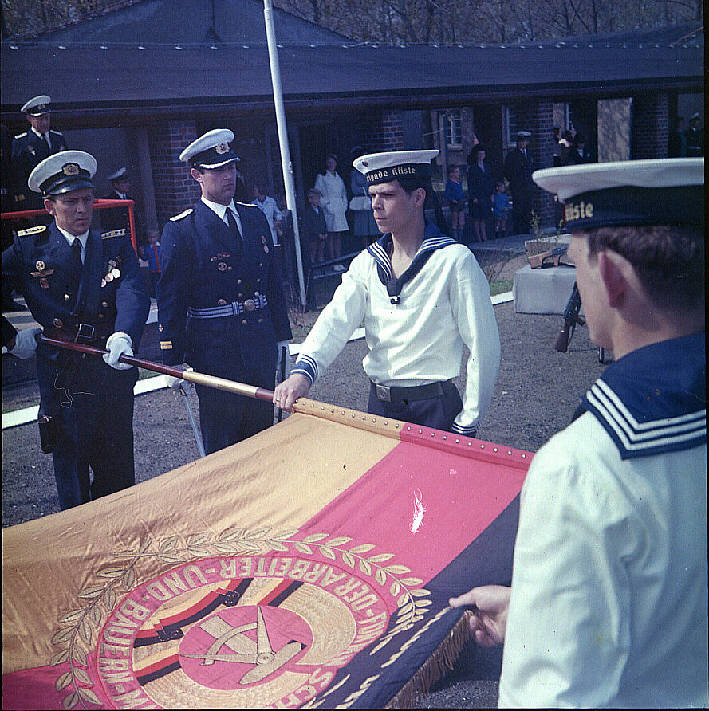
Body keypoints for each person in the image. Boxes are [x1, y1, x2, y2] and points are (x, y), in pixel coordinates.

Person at [450, 157, 707, 708]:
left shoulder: (582, 467)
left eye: (576, 266)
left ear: (610, 276)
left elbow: (551, 698)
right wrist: (536, 609)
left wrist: (538, 629)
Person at [274, 150, 500, 437]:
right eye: (372, 196)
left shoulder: (453, 261)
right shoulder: (367, 263)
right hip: (380, 411)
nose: (376, 206)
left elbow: (484, 346)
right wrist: (301, 374)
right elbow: (335, 321)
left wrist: (468, 420)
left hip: (435, 411)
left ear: (418, 197)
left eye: (388, 195)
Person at [2, 150, 150, 510]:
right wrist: (9, 338)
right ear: (50, 206)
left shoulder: (113, 245)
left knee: (119, 476)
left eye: (87, 200)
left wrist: (125, 333)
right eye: (71, 202)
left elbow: (133, 288)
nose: (82, 210)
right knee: (73, 482)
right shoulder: (29, 249)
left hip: (110, 371)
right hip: (62, 378)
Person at [157, 129, 292, 455]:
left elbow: (273, 280)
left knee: (263, 439)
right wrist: (172, 359)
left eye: (231, 167)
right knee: (224, 445)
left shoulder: (254, 216)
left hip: (258, 343)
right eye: (218, 170)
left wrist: (282, 335)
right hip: (215, 351)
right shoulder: (183, 229)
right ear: (197, 176)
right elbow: (171, 298)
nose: (228, 176)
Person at [10, 96, 68, 211]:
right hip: (34, 199)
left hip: (58, 196)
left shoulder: (58, 138)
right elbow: (17, 174)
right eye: (40, 119)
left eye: (47, 118)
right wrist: (22, 199)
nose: (45, 122)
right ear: (29, 118)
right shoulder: (21, 142)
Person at [314, 154, 348, 267]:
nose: (331, 165)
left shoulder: (339, 178)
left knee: (338, 235)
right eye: (329, 163)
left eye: (333, 162)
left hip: (339, 208)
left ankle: (339, 260)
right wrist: (326, 205)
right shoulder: (322, 177)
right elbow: (317, 194)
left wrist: (344, 205)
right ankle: (333, 262)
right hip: (329, 209)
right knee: (331, 235)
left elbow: (343, 193)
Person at [503, 130, 535, 235]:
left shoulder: (529, 154)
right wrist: (515, 182)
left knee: (527, 208)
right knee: (518, 209)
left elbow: (532, 169)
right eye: (520, 142)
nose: (522, 144)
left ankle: (526, 228)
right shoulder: (512, 156)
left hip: (528, 187)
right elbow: (507, 172)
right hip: (518, 187)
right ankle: (518, 230)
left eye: (524, 141)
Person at [349, 147, 378, 249]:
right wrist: (366, 190)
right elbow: (354, 188)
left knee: (374, 228)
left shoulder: (372, 171)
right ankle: (366, 248)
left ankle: (375, 247)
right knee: (363, 229)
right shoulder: (355, 173)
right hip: (361, 203)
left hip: (371, 201)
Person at [466, 145, 494, 242]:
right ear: (476, 155)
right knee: (477, 217)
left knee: (484, 217)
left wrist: (491, 193)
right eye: (479, 154)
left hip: (485, 195)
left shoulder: (487, 167)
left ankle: (484, 236)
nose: (481, 156)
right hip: (477, 195)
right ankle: (478, 237)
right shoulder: (472, 168)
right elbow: (470, 183)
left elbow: (490, 180)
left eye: (483, 154)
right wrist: (473, 196)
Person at [252, 181, 283, 246]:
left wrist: (278, 221)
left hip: (271, 232)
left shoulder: (271, 202)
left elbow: (278, 213)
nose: (253, 192)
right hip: (260, 235)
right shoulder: (253, 204)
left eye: (255, 190)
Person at [302, 188, 328, 266]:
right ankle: (312, 268)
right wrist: (317, 234)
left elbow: (323, 222)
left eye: (319, 198)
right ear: (310, 199)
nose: (318, 200)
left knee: (321, 252)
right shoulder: (308, 212)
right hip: (313, 237)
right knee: (313, 252)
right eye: (316, 198)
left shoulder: (320, 210)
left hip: (322, 235)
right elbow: (309, 225)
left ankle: (322, 267)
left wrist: (325, 232)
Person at [444, 165, 466, 242]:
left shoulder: (459, 182)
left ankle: (461, 239)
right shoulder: (450, 183)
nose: (458, 173)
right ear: (452, 173)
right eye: (456, 172)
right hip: (455, 204)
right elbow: (447, 194)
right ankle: (456, 239)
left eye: (458, 172)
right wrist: (452, 200)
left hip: (461, 202)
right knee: (455, 222)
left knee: (461, 222)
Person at [140, 228, 162, 297]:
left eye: (154, 237)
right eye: (150, 237)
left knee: (162, 282)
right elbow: (145, 258)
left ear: (157, 237)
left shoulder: (161, 247)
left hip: (162, 269)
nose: (152, 239)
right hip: (153, 270)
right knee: (154, 283)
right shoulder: (148, 248)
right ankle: (156, 295)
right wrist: (141, 253)